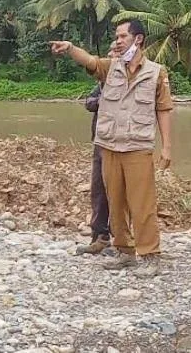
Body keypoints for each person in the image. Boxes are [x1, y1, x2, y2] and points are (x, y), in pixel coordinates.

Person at [50, 19, 174, 277]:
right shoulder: (111, 68)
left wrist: (167, 148)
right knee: (115, 202)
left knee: (142, 204)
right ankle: (124, 252)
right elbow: (91, 61)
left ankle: (150, 256)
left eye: (122, 36)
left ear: (137, 39)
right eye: (116, 37)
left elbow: (163, 110)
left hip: (138, 148)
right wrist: (71, 48)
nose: (117, 41)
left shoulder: (156, 73)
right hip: (109, 146)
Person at [76, 44, 118, 256]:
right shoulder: (101, 84)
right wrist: (101, 101)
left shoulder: (130, 80)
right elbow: (89, 103)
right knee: (99, 190)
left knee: (120, 192)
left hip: (121, 144)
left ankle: (123, 238)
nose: (110, 56)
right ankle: (100, 236)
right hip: (100, 142)